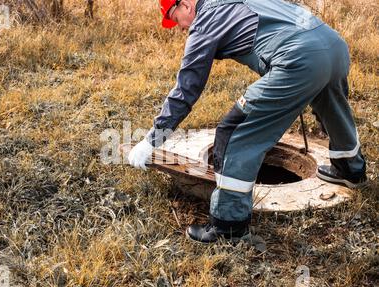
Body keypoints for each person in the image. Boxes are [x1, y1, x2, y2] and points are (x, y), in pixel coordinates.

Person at [128, 0, 367, 244]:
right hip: (332, 44)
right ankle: (350, 168)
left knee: (234, 132)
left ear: (187, 5)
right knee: (333, 106)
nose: (178, 27)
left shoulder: (205, 22)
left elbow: (187, 89)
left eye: (174, 18)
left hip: (299, 58)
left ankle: (228, 226)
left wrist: (153, 139)